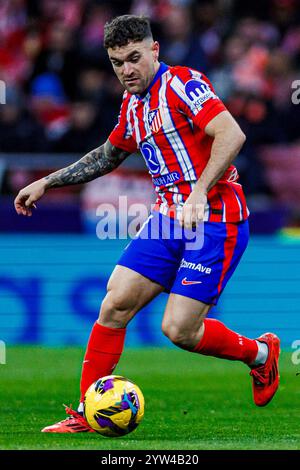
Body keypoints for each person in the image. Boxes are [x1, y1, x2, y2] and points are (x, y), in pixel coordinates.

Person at [14, 15, 280, 433]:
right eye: (118, 62)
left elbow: (232, 134)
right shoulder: (132, 105)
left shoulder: (183, 84)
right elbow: (108, 155)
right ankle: (87, 413)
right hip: (167, 219)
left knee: (179, 330)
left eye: (134, 58)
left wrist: (198, 191)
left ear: (154, 51)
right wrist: (47, 182)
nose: (127, 70)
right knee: (114, 302)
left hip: (215, 219)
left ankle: (261, 355)